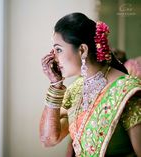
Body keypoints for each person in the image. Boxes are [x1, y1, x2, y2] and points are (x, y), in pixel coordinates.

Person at [40, 12, 141, 157]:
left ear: (82, 50)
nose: (53, 57)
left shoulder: (127, 90)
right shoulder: (76, 89)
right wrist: (56, 85)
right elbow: (48, 140)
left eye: (59, 49)